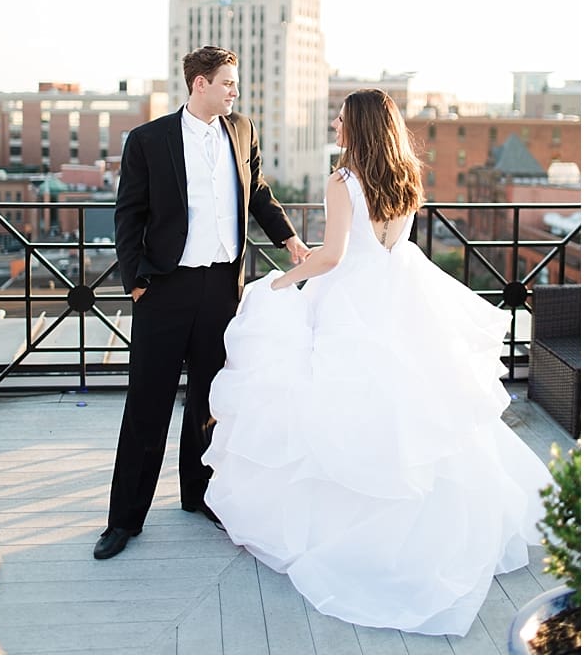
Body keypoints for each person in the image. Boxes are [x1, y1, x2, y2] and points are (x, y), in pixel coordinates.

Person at [202, 88, 552, 636]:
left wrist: (283, 280)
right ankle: (421, 530)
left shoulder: (343, 180)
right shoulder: (406, 175)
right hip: (402, 291)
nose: (335, 126)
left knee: (342, 409)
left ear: (359, 126)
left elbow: (334, 255)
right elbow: (387, 243)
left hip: (351, 300)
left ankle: (338, 530)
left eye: (341, 119)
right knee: (413, 409)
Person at [94, 45, 309, 561]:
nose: (235, 91)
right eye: (228, 82)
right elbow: (129, 214)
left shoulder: (243, 130)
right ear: (200, 84)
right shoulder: (148, 140)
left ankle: (200, 495)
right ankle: (124, 520)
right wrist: (135, 281)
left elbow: (258, 191)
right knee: (147, 404)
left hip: (222, 287)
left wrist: (289, 239)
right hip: (165, 288)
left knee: (210, 400)